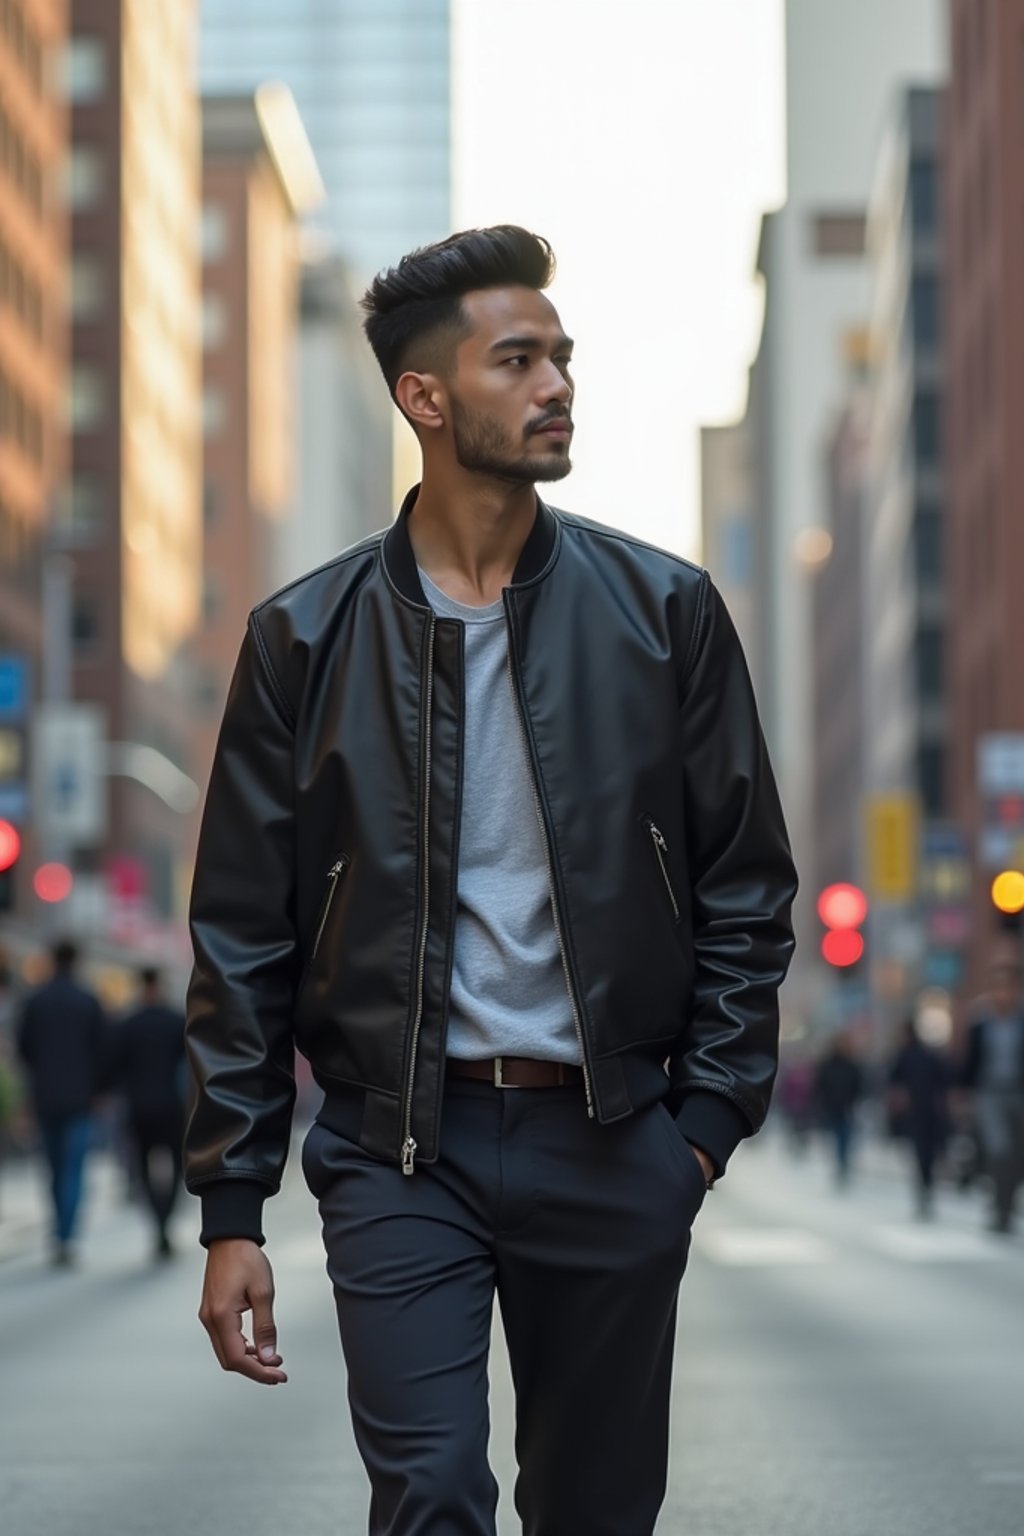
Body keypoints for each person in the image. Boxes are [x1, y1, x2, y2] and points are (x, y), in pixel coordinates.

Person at [185, 225, 798, 1536]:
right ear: (424, 397)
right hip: (400, 1149)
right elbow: (243, 930)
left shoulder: (664, 612)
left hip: (615, 1137)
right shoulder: (302, 638)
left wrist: (696, 1130)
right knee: (433, 1497)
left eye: (562, 358)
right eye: (516, 360)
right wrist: (231, 1203)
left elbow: (746, 883)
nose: (556, 384)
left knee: (594, 1509)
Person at [16, 939, 107, 1265]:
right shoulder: (88, 1000)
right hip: (80, 1098)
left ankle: (59, 1228)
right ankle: (67, 1235)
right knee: (74, 1168)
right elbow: (102, 1051)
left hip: (45, 1096)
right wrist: (99, 1090)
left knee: (53, 1168)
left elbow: (23, 1048)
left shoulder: (36, 1000)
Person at [112, 966, 186, 1259]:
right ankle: (164, 1220)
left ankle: (158, 1222)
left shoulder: (128, 1024)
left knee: (142, 1170)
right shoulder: (175, 1021)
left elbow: (114, 1066)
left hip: (139, 1108)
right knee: (178, 1169)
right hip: (171, 1106)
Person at [961, 946, 1024, 1234]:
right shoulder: (980, 1022)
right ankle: (999, 1209)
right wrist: (962, 1094)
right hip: (990, 1094)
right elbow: (969, 1062)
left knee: (1017, 1154)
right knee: (1000, 1150)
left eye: (1009, 987)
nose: (1004, 993)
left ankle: (1007, 1203)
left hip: (1018, 1092)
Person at [887, 1015, 951, 1218]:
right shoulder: (922, 1055)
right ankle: (925, 1190)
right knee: (926, 1155)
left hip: (922, 1111)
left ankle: (925, 1190)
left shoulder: (907, 1056)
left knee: (923, 1154)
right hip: (925, 1111)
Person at [814, 1031, 863, 1187]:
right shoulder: (828, 1064)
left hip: (847, 1107)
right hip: (832, 1107)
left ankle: (843, 1163)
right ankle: (840, 1162)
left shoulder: (852, 1065)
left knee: (845, 1137)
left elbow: (859, 1084)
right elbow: (821, 1084)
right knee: (837, 1137)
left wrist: (854, 1099)